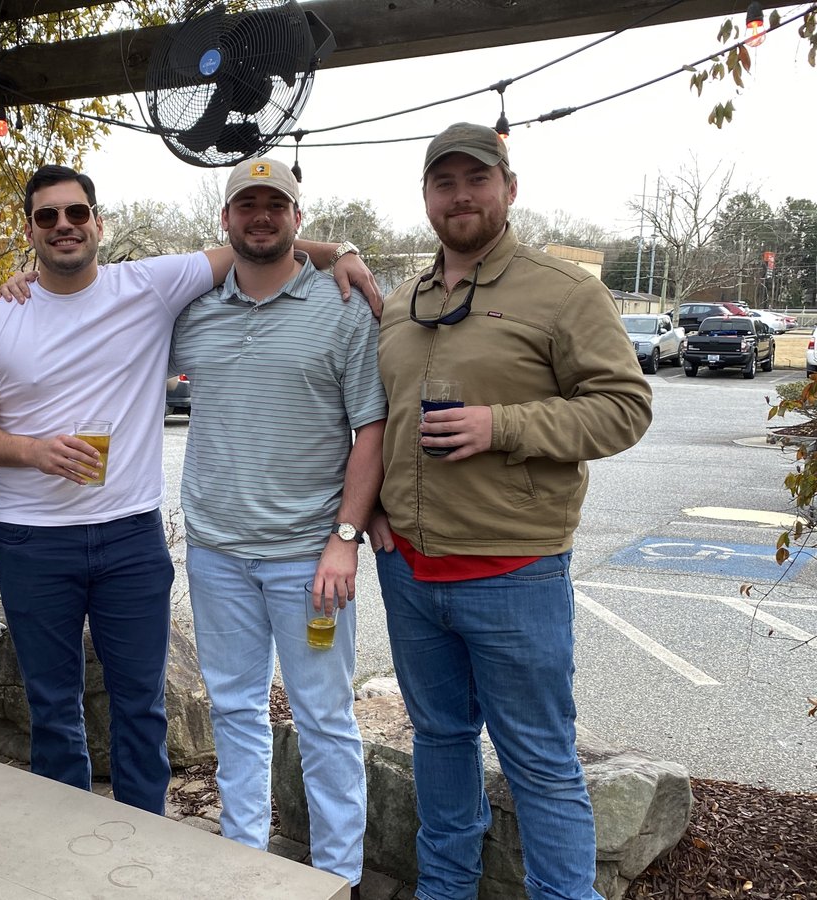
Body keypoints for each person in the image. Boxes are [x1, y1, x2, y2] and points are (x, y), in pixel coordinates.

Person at [0, 164, 378, 815]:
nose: (63, 226)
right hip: (32, 540)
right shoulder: (0, 318)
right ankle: (64, 851)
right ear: (28, 229)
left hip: (128, 536)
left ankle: (144, 847)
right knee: (53, 708)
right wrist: (35, 451)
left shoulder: (146, 284)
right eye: (47, 217)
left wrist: (341, 252)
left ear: (97, 221)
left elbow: (257, 244)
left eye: (76, 214)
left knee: (141, 706)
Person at [369, 123, 653, 900]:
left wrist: (505, 425)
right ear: (426, 197)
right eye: (444, 183)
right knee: (440, 740)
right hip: (409, 574)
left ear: (509, 187)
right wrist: (374, 512)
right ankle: (444, 890)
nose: (461, 196)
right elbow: (377, 418)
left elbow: (625, 409)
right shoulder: (404, 303)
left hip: (514, 571)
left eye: (476, 179)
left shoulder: (565, 291)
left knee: (539, 758)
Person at [170, 158, 386, 899]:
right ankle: (243, 866)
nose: (261, 216)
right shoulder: (194, 311)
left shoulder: (343, 306)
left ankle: (337, 880)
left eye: (276, 204)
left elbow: (372, 430)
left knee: (325, 718)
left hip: (309, 558)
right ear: (225, 219)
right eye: (246, 204)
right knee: (233, 711)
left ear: (299, 217)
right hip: (218, 552)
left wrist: (345, 539)